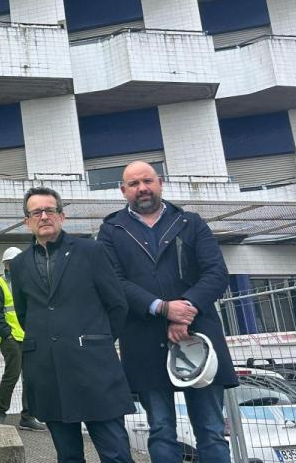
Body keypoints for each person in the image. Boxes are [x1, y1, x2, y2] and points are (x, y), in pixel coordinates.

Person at [98, 161, 237, 463]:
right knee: (161, 431)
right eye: (133, 184)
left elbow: (216, 273)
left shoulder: (191, 223)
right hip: (144, 341)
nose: (142, 188)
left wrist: (185, 309)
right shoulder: (111, 230)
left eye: (147, 181)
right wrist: (163, 309)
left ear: (160, 182)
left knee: (212, 431)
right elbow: (114, 282)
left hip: (198, 337)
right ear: (123, 190)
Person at [10, 187, 135, 463]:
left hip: (95, 370)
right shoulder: (19, 265)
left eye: (50, 210)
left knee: (116, 454)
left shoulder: (92, 251)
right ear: (27, 221)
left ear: (62, 216)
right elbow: (24, 314)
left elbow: (117, 305)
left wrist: (96, 340)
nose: (44, 216)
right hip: (49, 372)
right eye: (36, 212)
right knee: (68, 456)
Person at [0, 247, 45, 431]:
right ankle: (0, 412)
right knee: (12, 374)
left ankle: (28, 417)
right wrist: (6, 334)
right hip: (10, 338)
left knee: (31, 377)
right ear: (6, 265)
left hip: (29, 336)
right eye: (11, 263)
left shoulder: (29, 284)